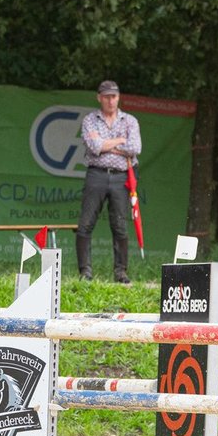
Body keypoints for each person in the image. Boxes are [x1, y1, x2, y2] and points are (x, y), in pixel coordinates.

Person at [75, 80, 141, 284]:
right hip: (96, 174)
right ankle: (85, 272)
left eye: (113, 96)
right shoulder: (90, 120)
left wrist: (106, 145)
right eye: (106, 97)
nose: (110, 101)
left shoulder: (129, 120)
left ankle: (121, 272)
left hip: (121, 177)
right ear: (99, 98)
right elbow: (94, 146)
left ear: (118, 97)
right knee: (86, 224)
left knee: (120, 225)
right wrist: (120, 141)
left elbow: (135, 148)